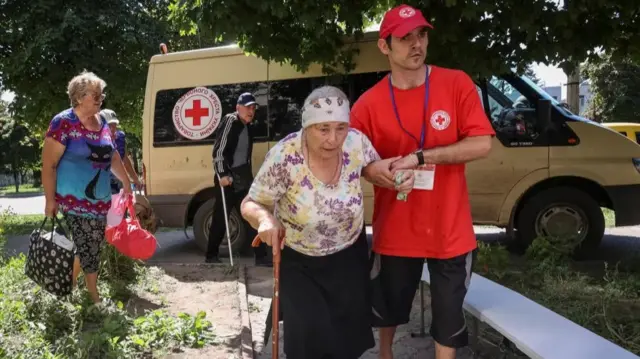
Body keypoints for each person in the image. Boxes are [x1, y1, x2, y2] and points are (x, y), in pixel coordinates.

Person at [350, 5, 496, 359]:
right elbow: (354, 161)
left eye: (422, 34)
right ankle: (386, 355)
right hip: (396, 230)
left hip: (451, 230)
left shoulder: (456, 83)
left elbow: (482, 143)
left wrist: (421, 157)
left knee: (448, 318)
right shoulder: (368, 104)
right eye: (405, 38)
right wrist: (374, 171)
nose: (416, 44)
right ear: (385, 46)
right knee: (387, 310)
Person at [240, 85, 415, 359]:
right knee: (308, 340)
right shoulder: (285, 156)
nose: (333, 139)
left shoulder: (355, 142)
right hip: (300, 260)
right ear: (306, 126)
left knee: (347, 340)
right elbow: (250, 203)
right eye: (323, 129)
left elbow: (371, 169)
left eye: (340, 128)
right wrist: (265, 221)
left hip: (348, 254)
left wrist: (394, 176)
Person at [41, 70, 133, 305]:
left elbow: (112, 156)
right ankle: (94, 298)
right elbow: (49, 165)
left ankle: (66, 288)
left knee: (92, 245)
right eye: (96, 95)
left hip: (100, 199)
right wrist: (50, 200)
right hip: (73, 199)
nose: (101, 99)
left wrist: (126, 181)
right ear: (80, 97)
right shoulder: (63, 123)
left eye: (101, 95)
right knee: (86, 245)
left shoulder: (102, 121)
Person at [206, 92, 270, 266]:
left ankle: (261, 256)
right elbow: (218, 151)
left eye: (253, 108)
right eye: (247, 107)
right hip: (228, 179)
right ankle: (211, 255)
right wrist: (222, 175)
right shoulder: (230, 121)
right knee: (221, 217)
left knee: (251, 216)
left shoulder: (247, 127)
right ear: (238, 107)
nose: (251, 111)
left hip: (243, 178)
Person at [100, 109, 142, 194]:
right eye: (109, 125)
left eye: (114, 125)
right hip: (102, 186)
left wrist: (135, 179)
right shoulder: (92, 140)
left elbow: (125, 159)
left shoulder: (120, 138)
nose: (112, 128)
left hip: (119, 183)